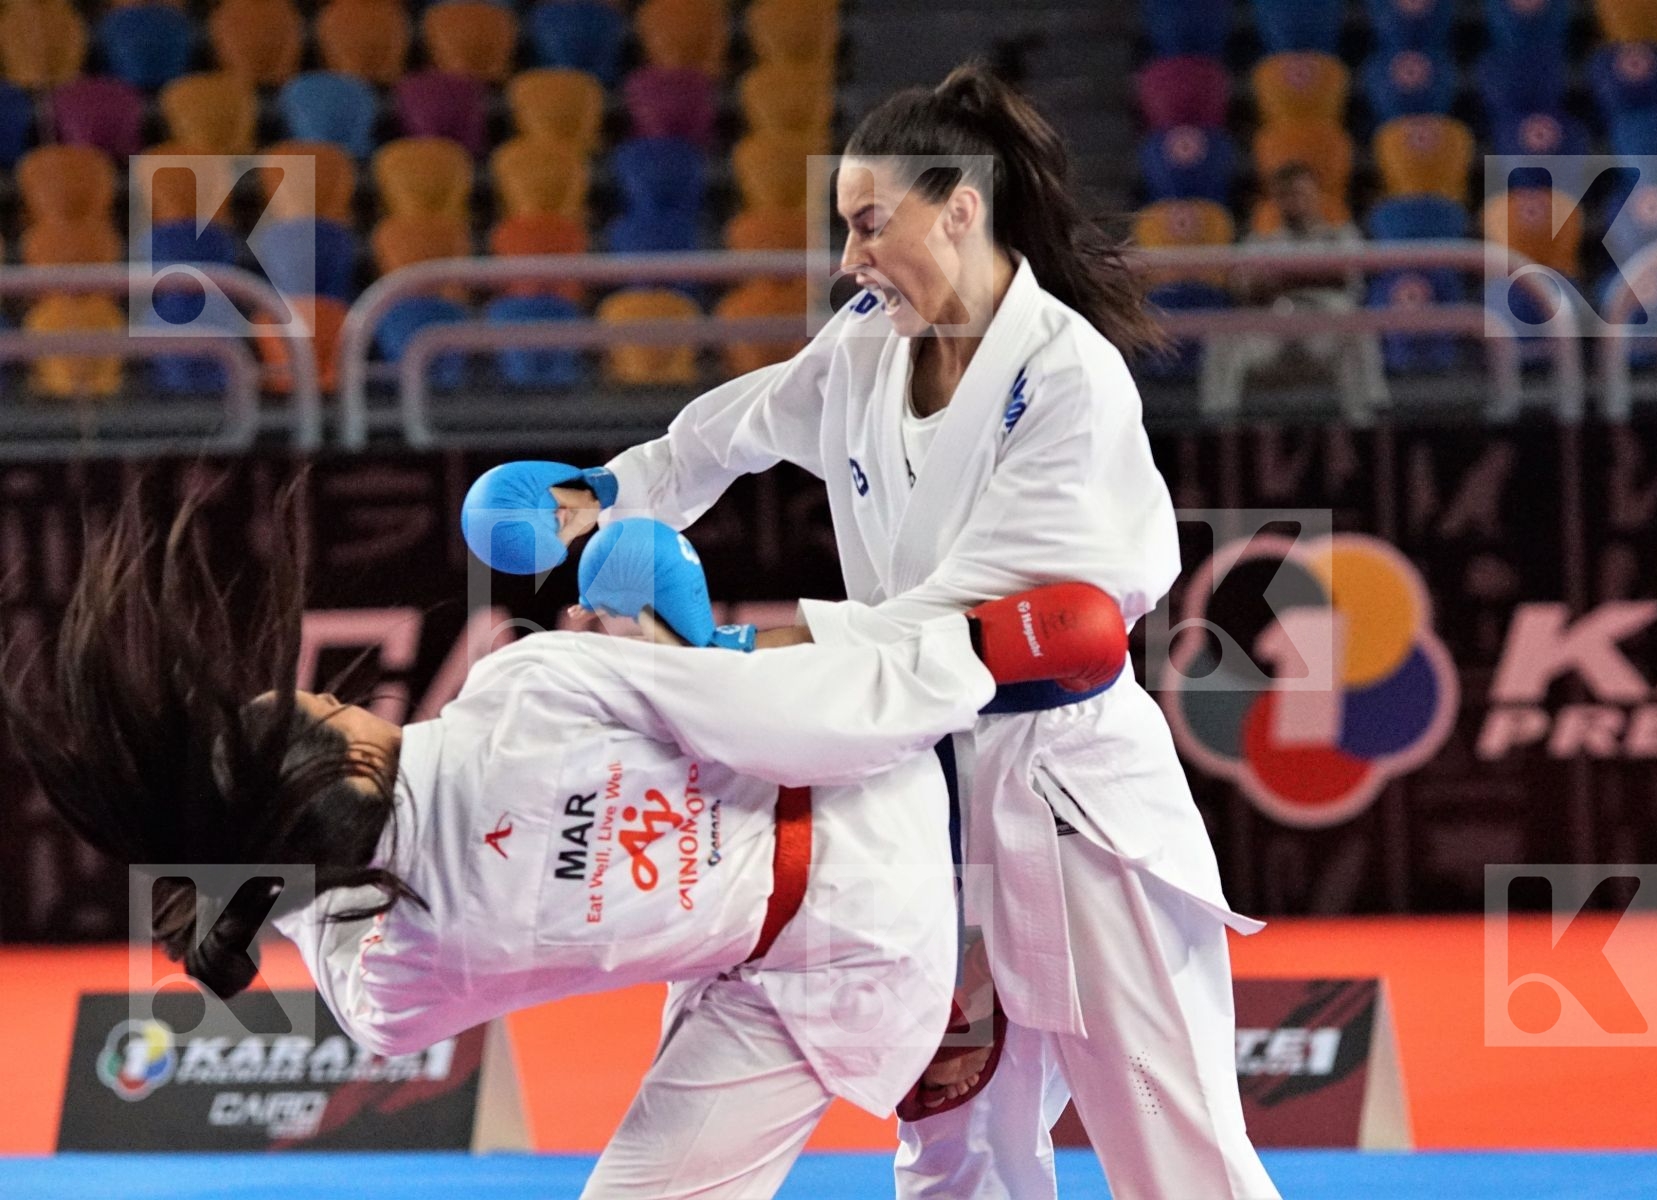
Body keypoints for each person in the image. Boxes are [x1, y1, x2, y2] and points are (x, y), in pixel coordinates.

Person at [477, 62, 1280, 1200]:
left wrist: (738, 659)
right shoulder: (866, 344)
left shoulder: (1068, 381)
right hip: (914, 802)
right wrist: (601, 497)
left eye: (868, 223)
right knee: (953, 1146)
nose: (848, 257)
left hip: (1068, 797)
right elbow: (726, 433)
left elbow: (955, 625)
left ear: (960, 208)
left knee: (1174, 1148)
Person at [0, 485, 1129, 1200]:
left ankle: (953, 1047)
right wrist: (973, 652)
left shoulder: (394, 977)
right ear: (338, 758)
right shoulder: (527, 689)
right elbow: (795, 713)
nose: (318, 694)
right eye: (305, 708)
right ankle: (962, 1029)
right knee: (737, 649)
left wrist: (260, 887)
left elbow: (334, 913)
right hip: (874, 848)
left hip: (813, 981)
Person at [1202, 161, 1390, 424]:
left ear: (1315, 196)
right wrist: (1308, 277)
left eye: (1300, 193)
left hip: (1324, 331)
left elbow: (1344, 279)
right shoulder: (1262, 240)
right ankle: (1218, 423)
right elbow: (1243, 288)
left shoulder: (1340, 236)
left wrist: (1282, 279)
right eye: (1285, 195)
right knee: (1223, 331)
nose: (1294, 201)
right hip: (1273, 331)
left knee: (1358, 326)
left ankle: (1367, 422)